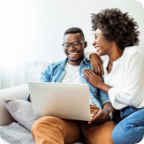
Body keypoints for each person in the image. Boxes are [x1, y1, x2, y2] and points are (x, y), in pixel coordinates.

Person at [28, 27, 115, 144]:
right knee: (40, 126)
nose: (71, 48)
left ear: (84, 44)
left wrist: (107, 113)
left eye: (75, 43)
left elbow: (106, 98)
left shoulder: (95, 66)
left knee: (109, 137)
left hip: (93, 119)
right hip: (63, 120)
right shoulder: (52, 69)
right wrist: (36, 97)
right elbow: (35, 94)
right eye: (66, 45)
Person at [83, 8, 144, 144]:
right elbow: (85, 53)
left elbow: (133, 98)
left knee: (120, 134)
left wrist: (101, 85)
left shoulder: (133, 54)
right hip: (123, 115)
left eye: (96, 36)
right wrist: (92, 55)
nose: (93, 43)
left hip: (140, 109)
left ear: (110, 34)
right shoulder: (104, 64)